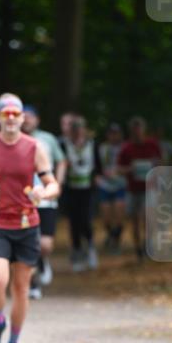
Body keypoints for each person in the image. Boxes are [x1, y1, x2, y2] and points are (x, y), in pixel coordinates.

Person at [0, 93, 59, 343]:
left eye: (16, 114)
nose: (12, 118)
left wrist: (45, 194)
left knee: (20, 289)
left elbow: (51, 183)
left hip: (27, 224)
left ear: (23, 118)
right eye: (7, 114)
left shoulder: (34, 147)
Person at [22, 104, 67, 295]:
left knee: (45, 244)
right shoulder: (13, 140)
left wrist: (58, 182)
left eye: (30, 116)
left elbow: (62, 160)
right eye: (24, 116)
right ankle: (33, 284)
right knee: (28, 243)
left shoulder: (48, 139)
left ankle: (42, 261)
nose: (27, 119)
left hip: (46, 198)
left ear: (37, 119)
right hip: (23, 199)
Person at [118, 116, 161, 259]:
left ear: (143, 130)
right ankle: (138, 248)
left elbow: (162, 162)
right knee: (135, 220)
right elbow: (119, 168)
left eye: (139, 130)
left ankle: (148, 243)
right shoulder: (126, 148)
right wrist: (131, 169)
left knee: (147, 217)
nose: (137, 133)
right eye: (134, 130)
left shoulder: (152, 145)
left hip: (149, 189)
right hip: (133, 189)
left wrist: (154, 164)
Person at [60, 116, 99, 272]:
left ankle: (90, 246)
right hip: (71, 189)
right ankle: (76, 250)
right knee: (74, 221)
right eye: (74, 130)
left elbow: (98, 165)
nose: (77, 133)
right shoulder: (65, 145)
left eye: (79, 129)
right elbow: (62, 163)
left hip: (88, 189)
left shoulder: (92, 144)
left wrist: (98, 177)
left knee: (86, 219)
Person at [96, 123, 127, 251]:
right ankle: (110, 234)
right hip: (105, 184)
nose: (113, 136)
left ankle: (116, 237)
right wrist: (97, 176)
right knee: (106, 213)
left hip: (120, 183)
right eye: (111, 133)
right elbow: (96, 164)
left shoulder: (125, 147)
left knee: (119, 211)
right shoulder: (102, 148)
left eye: (116, 133)